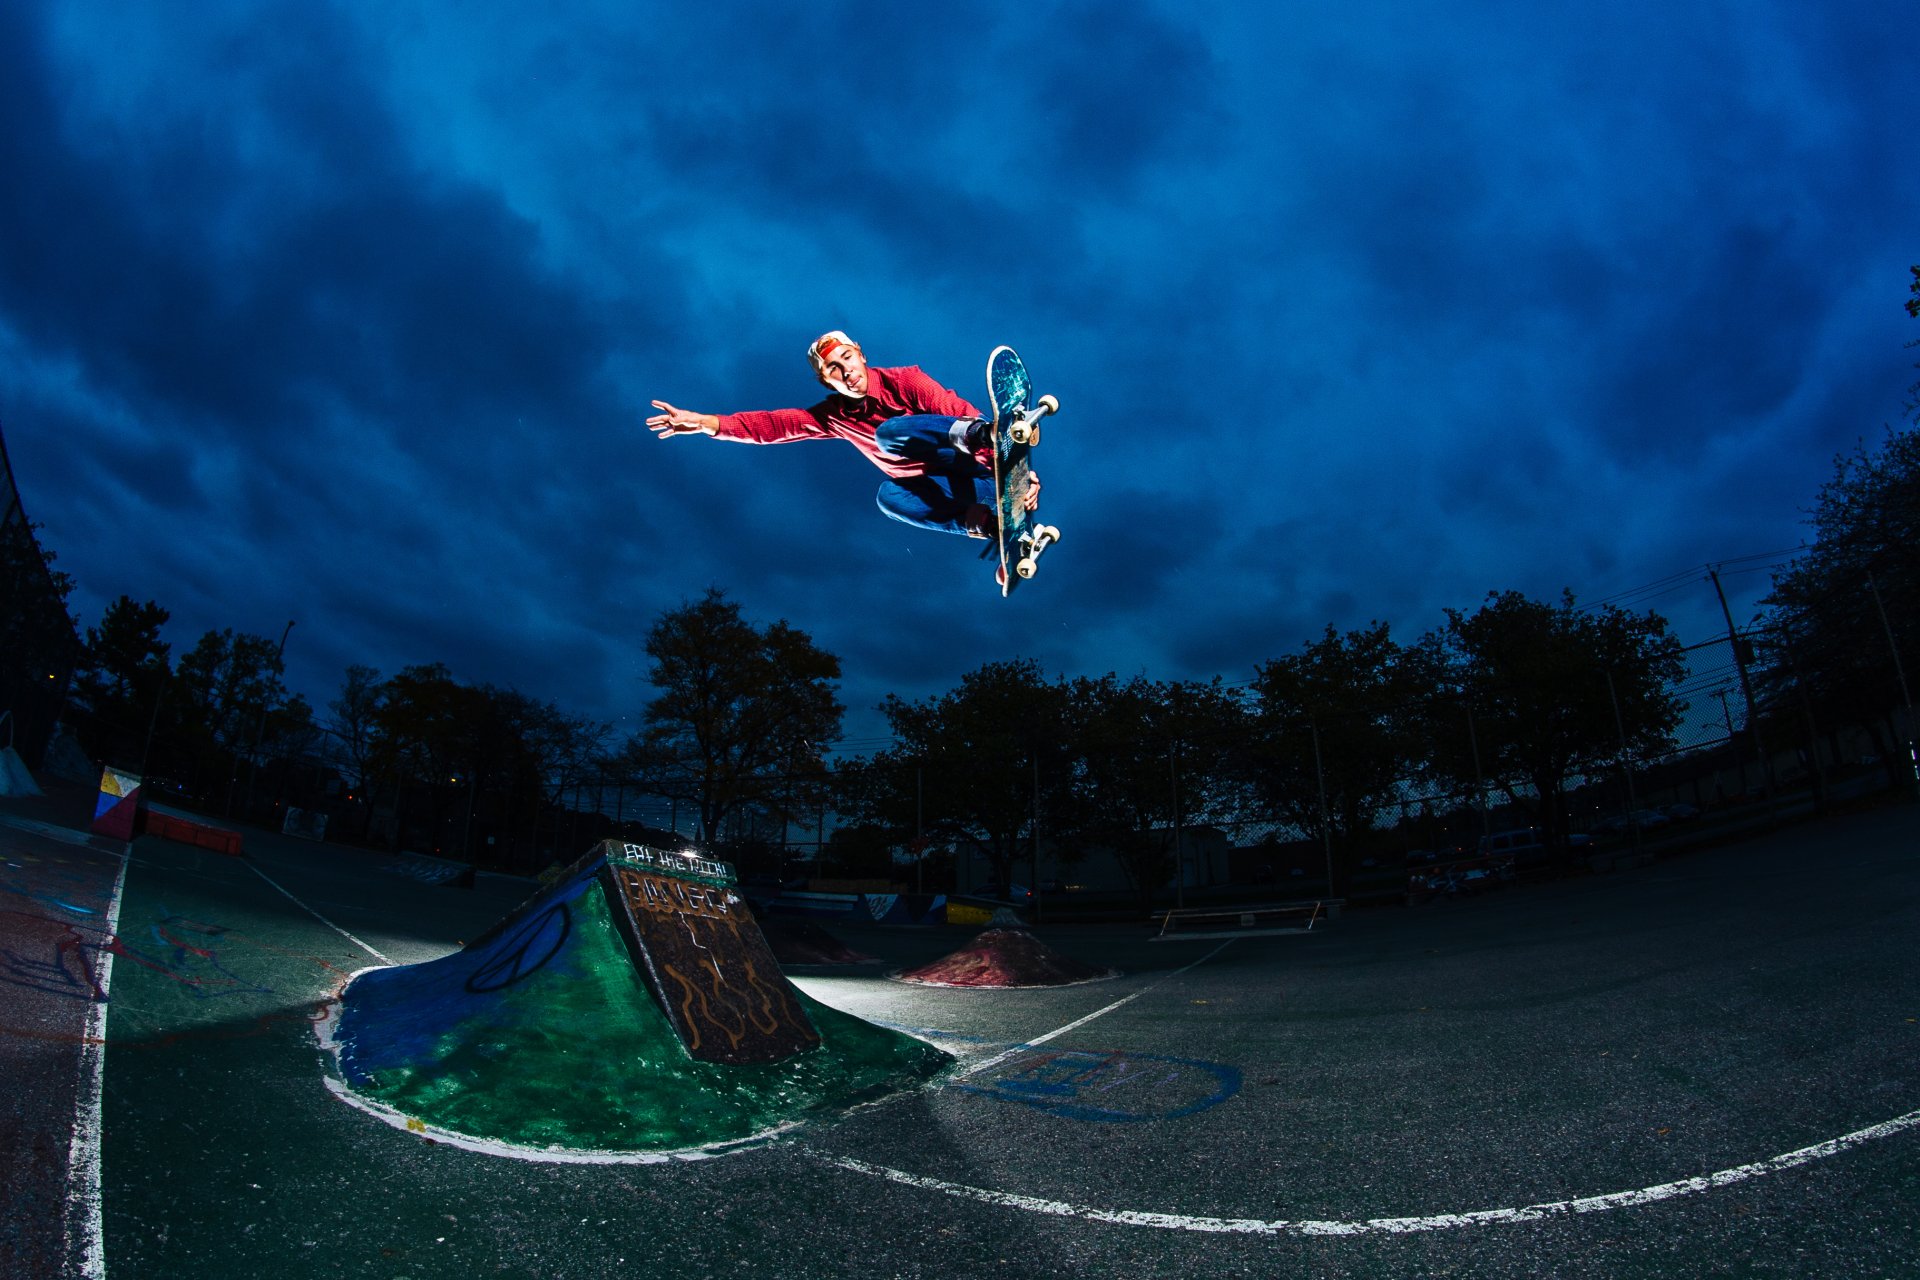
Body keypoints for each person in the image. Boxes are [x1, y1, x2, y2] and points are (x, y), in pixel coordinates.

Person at [647, 331, 1040, 554]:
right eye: (833, 370)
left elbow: (951, 407)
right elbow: (773, 425)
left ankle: (981, 436)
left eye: (847, 358)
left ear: (861, 355)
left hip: (971, 460)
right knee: (888, 498)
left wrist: (1011, 467)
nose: (845, 371)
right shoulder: (832, 417)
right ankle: (987, 525)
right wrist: (706, 423)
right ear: (826, 381)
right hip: (947, 487)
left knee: (888, 434)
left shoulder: (906, 381)